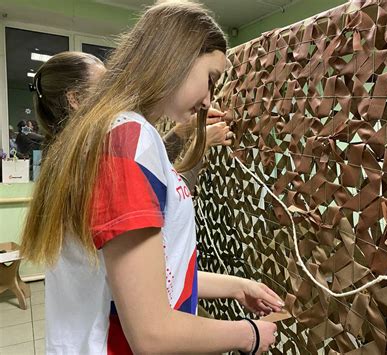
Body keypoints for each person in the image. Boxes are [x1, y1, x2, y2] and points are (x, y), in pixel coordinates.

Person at [21, 2, 282, 354]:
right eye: (210, 79)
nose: (208, 99)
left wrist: (235, 286)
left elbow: (151, 277)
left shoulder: (110, 136)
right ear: (177, 58)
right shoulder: (126, 139)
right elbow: (152, 334)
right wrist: (248, 335)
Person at [30, 50, 231, 191]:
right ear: (75, 99)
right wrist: (200, 146)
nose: (114, 94)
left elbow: (142, 160)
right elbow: (167, 202)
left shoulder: (63, 154)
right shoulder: (90, 158)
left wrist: (183, 130)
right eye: (104, 87)